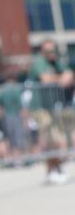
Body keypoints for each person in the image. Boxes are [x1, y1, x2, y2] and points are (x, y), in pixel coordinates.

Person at [29, 40, 74, 184]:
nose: (51, 54)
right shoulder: (39, 62)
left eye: (53, 50)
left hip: (54, 108)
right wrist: (61, 77)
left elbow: (69, 75)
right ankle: (52, 170)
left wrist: (66, 75)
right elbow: (46, 79)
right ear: (42, 52)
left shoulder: (56, 63)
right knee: (50, 140)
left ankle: (55, 169)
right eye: (48, 51)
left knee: (58, 140)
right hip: (41, 108)